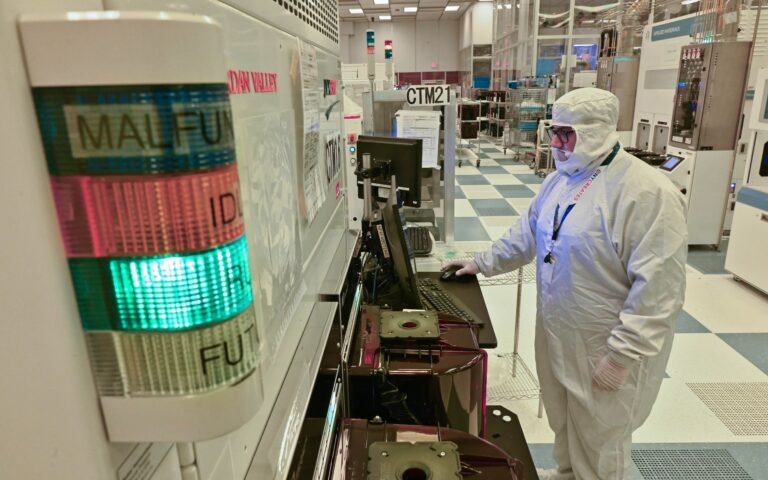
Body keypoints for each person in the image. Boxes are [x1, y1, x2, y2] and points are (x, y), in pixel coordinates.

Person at [443, 88, 687, 479]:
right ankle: (568, 472)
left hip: (603, 343)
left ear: (596, 132)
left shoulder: (647, 193)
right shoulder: (560, 181)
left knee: (601, 439)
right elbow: (528, 233)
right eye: (553, 131)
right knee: (564, 421)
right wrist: (481, 262)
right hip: (558, 330)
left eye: (566, 134)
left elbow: (660, 291)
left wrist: (622, 354)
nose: (555, 143)